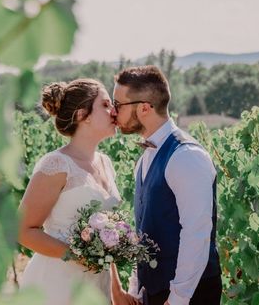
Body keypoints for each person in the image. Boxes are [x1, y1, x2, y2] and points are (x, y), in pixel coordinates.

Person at [18, 79, 137, 305]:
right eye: (105, 104)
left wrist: (117, 291)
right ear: (84, 115)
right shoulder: (56, 165)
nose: (114, 110)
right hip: (57, 286)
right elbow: (24, 230)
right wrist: (77, 255)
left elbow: (105, 239)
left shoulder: (105, 163)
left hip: (95, 287)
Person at [112, 66, 222, 305]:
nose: (113, 111)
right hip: (154, 293)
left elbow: (197, 233)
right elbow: (146, 230)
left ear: (144, 107)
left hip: (189, 295)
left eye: (118, 104)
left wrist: (178, 299)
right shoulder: (144, 160)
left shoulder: (186, 156)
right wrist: (137, 288)